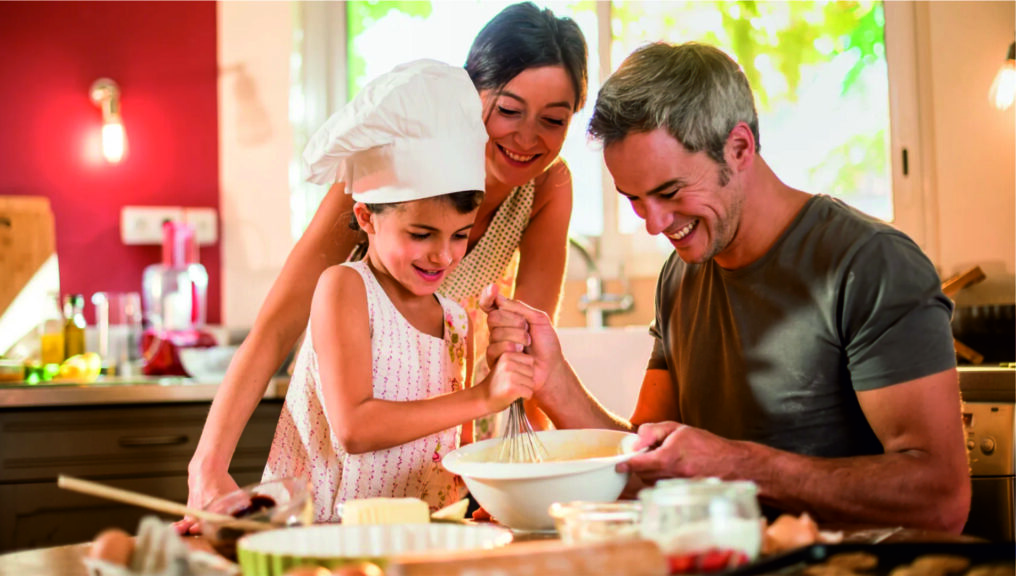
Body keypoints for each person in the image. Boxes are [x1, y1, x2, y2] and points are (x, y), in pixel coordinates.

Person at [481, 42, 971, 532]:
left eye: (669, 192)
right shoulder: (683, 274)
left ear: (739, 147)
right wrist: (554, 381)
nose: (654, 223)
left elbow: (940, 497)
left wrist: (740, 467)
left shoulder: (871, 264)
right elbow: (644, 473)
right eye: (634, 199)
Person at [177, 2, 588, 533]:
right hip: (349, 436)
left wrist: (512, 476)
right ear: (471, 95)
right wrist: (207, 467)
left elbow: (525, 349)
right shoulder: (385, 170)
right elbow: (280, 322)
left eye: (553, 121)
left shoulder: (547, 187)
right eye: (509, 110)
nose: (528, 139)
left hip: (436, 439)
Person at [265, 59, 536, 521]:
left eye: (459, 234)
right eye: (421, 234)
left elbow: (450, 442)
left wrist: (482, 497)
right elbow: (354, 427)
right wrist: (483, 396)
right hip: (326, 536)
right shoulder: (346, 289)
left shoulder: (454, 319)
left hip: (422, 534)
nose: (444, 256)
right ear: (367, 218)